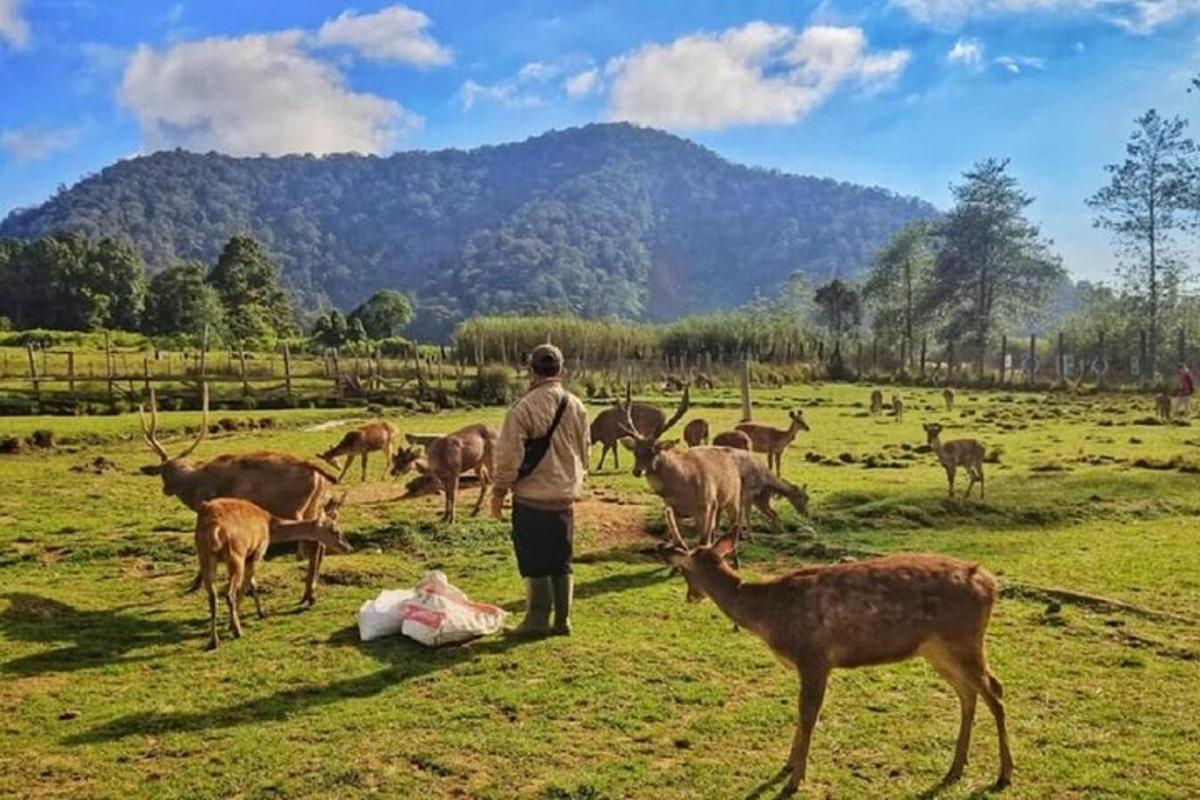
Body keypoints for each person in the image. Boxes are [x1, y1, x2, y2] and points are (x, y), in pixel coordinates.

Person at [491, 344, 589, 637]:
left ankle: (536, 620)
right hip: (564, 497)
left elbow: (509, 457)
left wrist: (498, 492)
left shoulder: (523, 409)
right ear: (562, 371)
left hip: (533, 499)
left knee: (535, 560)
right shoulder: (577, 405)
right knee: (561, 559)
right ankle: (562, 620)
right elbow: (585, 451)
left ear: (530, 371)